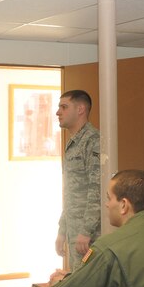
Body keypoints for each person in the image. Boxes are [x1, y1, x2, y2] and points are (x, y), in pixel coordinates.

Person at [54, 89, 101, 271]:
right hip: (75, 230)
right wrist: (62, 230)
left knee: (88, 285)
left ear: (80, 109)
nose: (58, 112)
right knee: (78, 282)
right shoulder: (73, 142)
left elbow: (96, 188)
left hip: (89, 234)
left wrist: (86, 230)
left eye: (64, 107)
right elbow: (70, 192)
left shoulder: (93, 141)